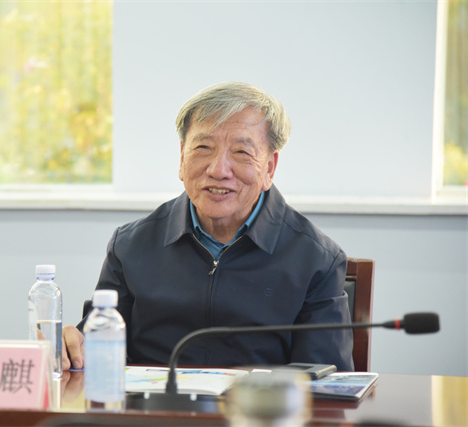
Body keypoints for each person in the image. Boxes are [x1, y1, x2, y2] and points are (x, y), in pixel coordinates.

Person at [62, 81, 354, 371]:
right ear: (182, 157)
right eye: (203, 147)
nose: (218, 170)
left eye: (241, 152)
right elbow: (91, 352)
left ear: (269, 168)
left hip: (258, 402)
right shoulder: (130, 246)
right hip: (156, 401)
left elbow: (326, 382)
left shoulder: (316, 260)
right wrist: (67, 346)